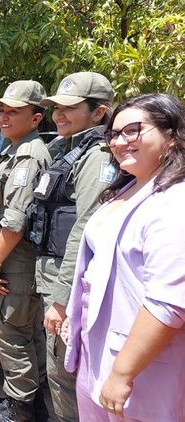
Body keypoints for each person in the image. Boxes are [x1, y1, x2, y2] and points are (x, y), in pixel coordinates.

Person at [63, 93, 185, 421]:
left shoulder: (176, 201)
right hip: (100, 347)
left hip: (140, 364)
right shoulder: (127, 187)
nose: (119, 142)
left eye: (132, 130)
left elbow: (168, 303)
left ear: (172, 135)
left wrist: (122, 374)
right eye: (114, 134)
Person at [18, 72, 114, 422]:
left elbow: (84, 229)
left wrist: (61, 300)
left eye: (70, 108)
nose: (59, 114)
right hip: (51, 275)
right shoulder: (70, 148)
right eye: (57, 107)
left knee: (63, 375)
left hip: (67, 283)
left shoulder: (98, 156)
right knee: (54, 368)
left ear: (99, 112)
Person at [0, 81, 52, 421]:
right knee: (25, 333)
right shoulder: (14, 149)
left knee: (11, 336)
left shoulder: (28, 155)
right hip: (13, 258)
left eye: (14, 112)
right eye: (2, 111)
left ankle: (21, 409)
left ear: (36, 118)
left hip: (14, 262)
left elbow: (15, 219)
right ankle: (32, 403)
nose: (3, 117)